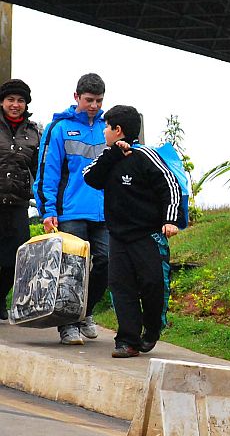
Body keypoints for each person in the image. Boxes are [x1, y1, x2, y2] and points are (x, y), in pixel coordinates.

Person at [82, 105, 181, 358]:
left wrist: (170, 220)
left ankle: (152, 329)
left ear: (118, 130)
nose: (103, 131)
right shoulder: (109, 157)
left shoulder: (147, 156)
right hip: (117, 237)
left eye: (107, 127)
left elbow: (170, 186)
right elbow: (90, 177)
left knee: (152, 285)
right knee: (121, 287)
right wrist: (113, 154)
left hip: (147, 235)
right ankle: (127, 340)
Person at [34, 72, 109, 345]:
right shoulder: (60, 128)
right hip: (70, 211)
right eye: (89, 100)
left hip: (103, 213)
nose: (94, 106)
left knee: (106, 263)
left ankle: (84, 312)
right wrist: (47, 210)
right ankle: (68, 326)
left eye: (99, 101)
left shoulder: (108, 128)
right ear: (76, 96)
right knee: (70, 270)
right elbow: (48, 171)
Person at [0, 79, 41, 322]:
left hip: (18, 203)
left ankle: (1, 296)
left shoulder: (35, 132)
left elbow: (40, 171)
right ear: (2, 102)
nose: (15, 105)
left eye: (21, 101)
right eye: (11, 100)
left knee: (17, 258)